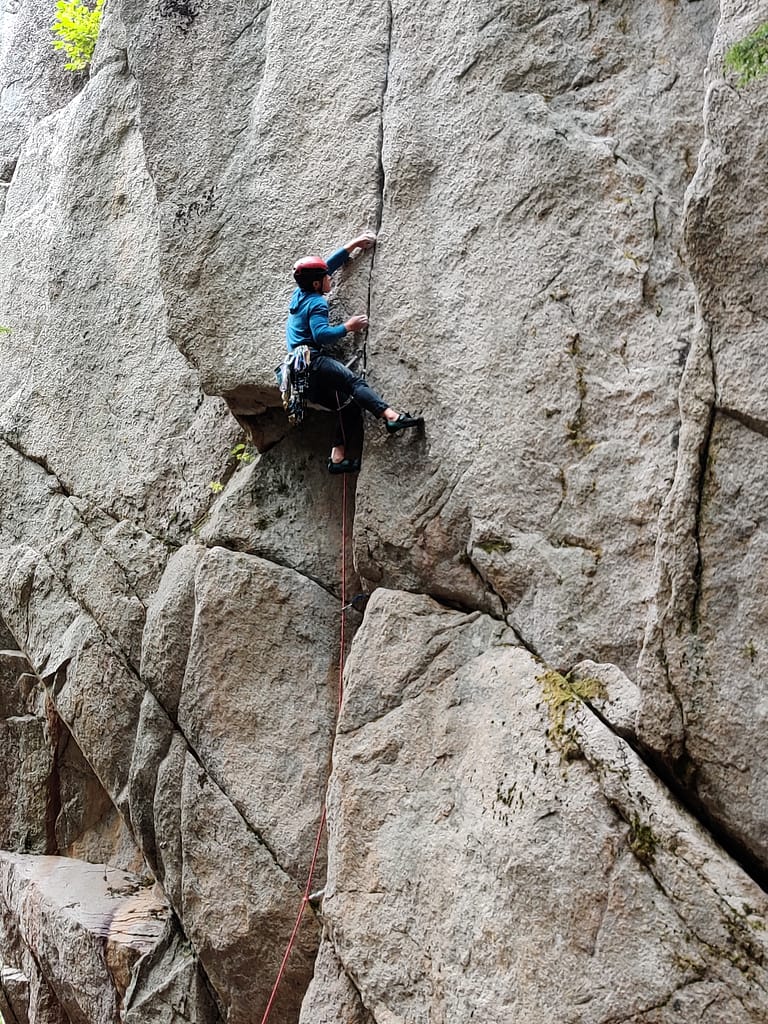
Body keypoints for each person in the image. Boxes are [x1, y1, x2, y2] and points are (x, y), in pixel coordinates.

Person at [285, 232, 422, 473]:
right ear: (317, 284)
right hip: (312, 363)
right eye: (326, 277)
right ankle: (391, 417)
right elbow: (321, 335)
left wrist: (352, 246)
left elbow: (326, 266)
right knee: (354, 383)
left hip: (299, 376)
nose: (330, 276)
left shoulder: (301, 294)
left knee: (347, 406)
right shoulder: (317, 302)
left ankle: (337, 459)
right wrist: (348, 326)